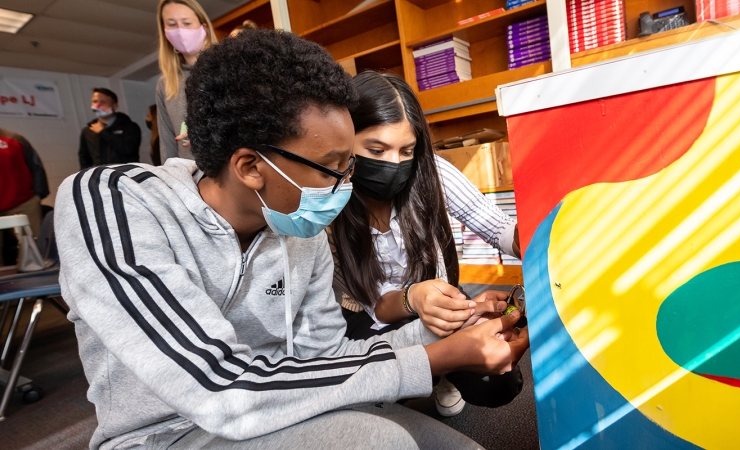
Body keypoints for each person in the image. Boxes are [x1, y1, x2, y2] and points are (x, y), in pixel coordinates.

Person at [55, 29, 527, 450]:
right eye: (335, 167)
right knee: (381, 442)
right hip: (170, 432)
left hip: (293, 404)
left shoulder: (302, 234)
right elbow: (224, 391)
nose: (348, 185)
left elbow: (328, 357)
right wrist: (433, 358)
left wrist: (457, 326)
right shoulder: (110, 202)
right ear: (251, 166)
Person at [330, 71, 524, 417]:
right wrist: (413, 298)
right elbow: (375, 306)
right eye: (377, 149)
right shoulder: (329, 208)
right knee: (372, 395)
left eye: (407, 150)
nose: (394, 164)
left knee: (499, 382)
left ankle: (441, 371)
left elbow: (494, 223)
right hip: (378, 311)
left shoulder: (431, 172)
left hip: (440, 299)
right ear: (346, 141)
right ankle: (434, 370)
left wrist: (530, 241)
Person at [155, 0, 217, 163]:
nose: (180, 31)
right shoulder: (165, 84)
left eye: (187, 23)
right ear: (165, 32)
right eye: (172, 24)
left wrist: (207, 131)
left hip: (231, 175)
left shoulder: (228, 69)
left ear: (204, 27)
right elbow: (167, 143)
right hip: (189, 180)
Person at [0, 128, 49, 264]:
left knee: (38, 248)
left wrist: (38, 195)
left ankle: (47, 281)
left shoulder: (15, 139)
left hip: (22, 202)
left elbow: (36, 165)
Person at [78, 88, 141, 169]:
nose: (98, 105)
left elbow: (128, 149)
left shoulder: (130, 127)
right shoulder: (87, 131)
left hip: (127, 175)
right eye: (95, 101)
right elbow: (84, 158)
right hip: (101, 177)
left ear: (114, 106)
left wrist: (103, 132)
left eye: (103, 102)